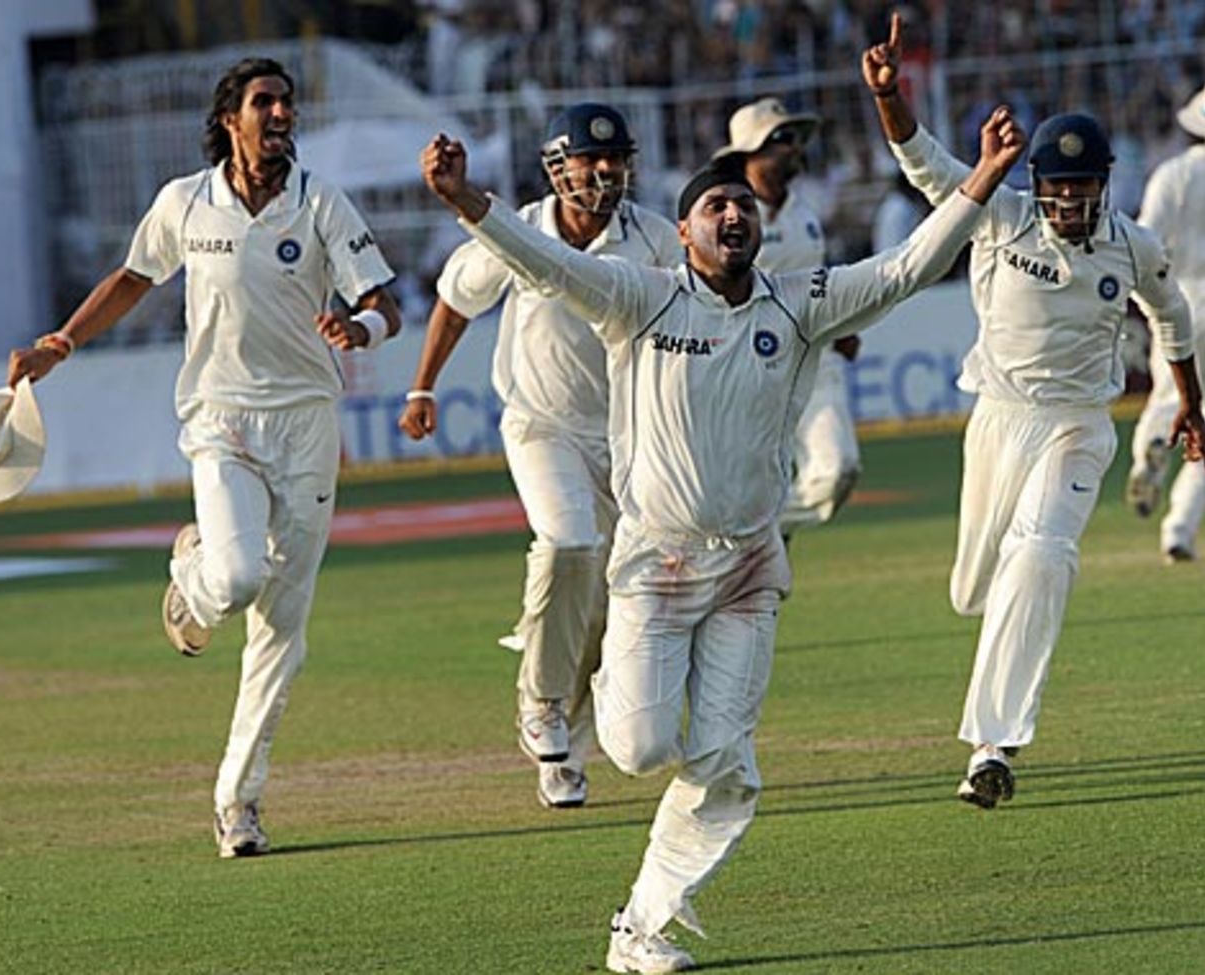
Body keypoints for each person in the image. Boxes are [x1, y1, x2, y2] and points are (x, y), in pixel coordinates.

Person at [420, 101, 1021, 972]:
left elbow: (900, 270)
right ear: (684, 233)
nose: (734, 212)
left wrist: (981, 182)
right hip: (656, 569)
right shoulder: (638, 297)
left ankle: (644, 924)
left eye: (742, 205)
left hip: (747, 570)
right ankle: (572, 693)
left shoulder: (802, 302)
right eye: (715, 206)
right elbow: (543, 260)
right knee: (639, 747)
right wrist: (463, 199)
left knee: (727, 764)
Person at [7, 57, 402, 857]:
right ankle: (191, 571)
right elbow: (132, 277)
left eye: (289, 101)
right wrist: (61, 342)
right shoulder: (185, 201)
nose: (282, 113)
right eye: (266, 102)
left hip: (305, 424)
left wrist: (362, 331)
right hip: (221, 417)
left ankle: (238, 801)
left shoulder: (320, 200)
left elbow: (379, 300)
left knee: (281, 630)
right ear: (231, 118)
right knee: (236, 577)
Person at [862, 14, 1205, 811]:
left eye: (1085, 188)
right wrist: (889, 95)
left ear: (1105, 185)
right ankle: (993, 665)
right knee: (976, 584)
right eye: (1060, 186)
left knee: (1044, 552)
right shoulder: (1000, 211)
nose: (1072, 200)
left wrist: (1191, 405)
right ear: (1039, 181)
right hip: (999, 417)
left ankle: (994, 744)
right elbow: (921, 162)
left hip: (1080, 426)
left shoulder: (1133, 244)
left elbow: (1174, 319)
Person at [399, 104, 682, 810]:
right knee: (567, 544)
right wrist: (422, 384)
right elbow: (455, 301)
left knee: (609, 601)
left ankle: (565, 750)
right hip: (541, 425)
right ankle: (542, 699)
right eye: (592, 161)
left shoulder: (650, 238)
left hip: (629, 439)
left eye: (616, 161)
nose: (607, 173)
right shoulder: (514, 232)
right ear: (559, 169)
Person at [714, 97, 864, 536]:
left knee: (838, 470)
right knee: (747, 485)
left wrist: (842, 325)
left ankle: (756, 537)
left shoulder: (805, 208)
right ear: (750, 153)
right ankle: (757, 556)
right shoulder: (723, 213)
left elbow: (815, 281)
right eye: (782, 139)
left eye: (796, 139)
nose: (795, 147)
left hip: (814, 360)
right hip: (748, 368)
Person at [1125, 84, 1205, 562]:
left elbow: (1145, 239)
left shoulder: (1173, 174)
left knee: (1167, 394)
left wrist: (1148, 299)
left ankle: (1150, 454)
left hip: (1178, 296)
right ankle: (1178, 528)